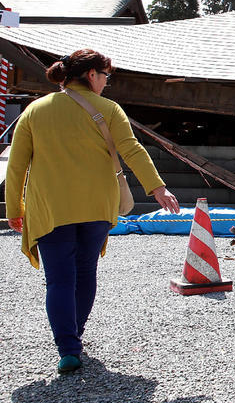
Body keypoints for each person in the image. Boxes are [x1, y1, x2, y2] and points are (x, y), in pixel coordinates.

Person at [5, 49, 180, 374]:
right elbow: (131, 149)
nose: (106, 83)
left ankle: (68, 348)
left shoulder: (34, 111)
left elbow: (16, 166)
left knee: (58, 281)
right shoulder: (108, 109)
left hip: (51, 207)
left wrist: (15, 208)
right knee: (85, 273)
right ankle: (76, 337)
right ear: (91, 75)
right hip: (97, 206)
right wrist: (157, 188)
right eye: (106, 76)